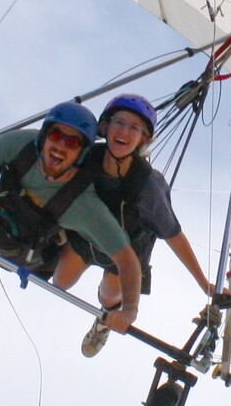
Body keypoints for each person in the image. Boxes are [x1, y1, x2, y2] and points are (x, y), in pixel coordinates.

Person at [0, 101, 144, 335]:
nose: (60, 145)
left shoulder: (82, 204)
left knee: (63, 282)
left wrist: (130, 310)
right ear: (44, 136)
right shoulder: (22, 145)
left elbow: (127, 260)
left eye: (72, 142)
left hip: (28, 258)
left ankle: (104, 297)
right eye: (55, 135)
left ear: (81, 153)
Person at [51, 93, 212, 357]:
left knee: (109, 295)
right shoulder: (85, 157)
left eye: (134, 128)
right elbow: (43, 153)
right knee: (60, 281)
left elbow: (174, 235)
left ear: (142, 140)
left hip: (126, 252)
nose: (125, 131)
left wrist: (203, 283)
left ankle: (105, 319)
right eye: (119, 123)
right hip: (89, 237)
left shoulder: (148, 186)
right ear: (104, 127)